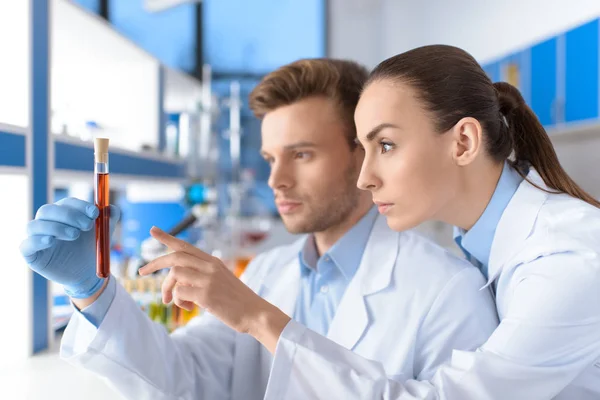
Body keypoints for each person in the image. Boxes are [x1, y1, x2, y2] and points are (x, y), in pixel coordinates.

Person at [20, 58, 497, 400]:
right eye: (271, 158)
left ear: (361, 152)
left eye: (302, 154)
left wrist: (256, 316)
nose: (276, 179)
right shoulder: (269, 272)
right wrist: (92, 291)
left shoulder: (450, 291)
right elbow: (180, 378)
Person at [244, 45, 600, 399]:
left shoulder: (564, 259)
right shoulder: (485, 244)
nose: (364, 178)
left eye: (385, 145)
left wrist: (265, 323)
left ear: (463, 142)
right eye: (365, 149)